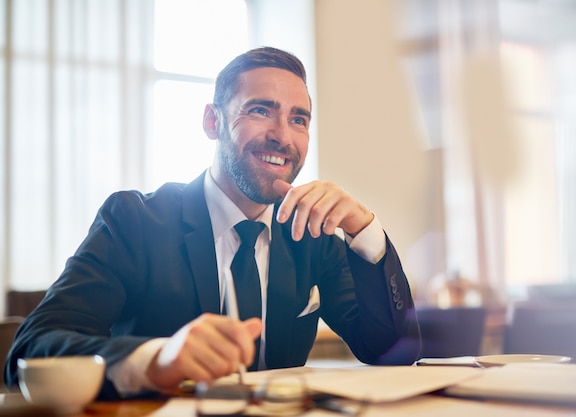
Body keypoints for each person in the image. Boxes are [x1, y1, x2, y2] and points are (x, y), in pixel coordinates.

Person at [5, 47, 419, 399]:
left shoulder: (312, 234)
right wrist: (157, 358)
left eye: (299, 119)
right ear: (212, 122)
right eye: (261, 110)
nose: (283, 136)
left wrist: (365, 233)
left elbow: (393, 350)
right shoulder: (134, 221)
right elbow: (30, 350)